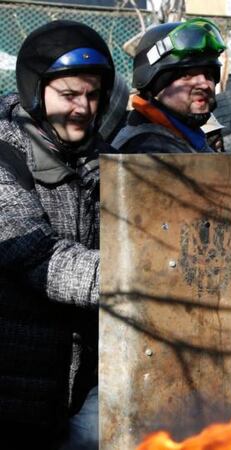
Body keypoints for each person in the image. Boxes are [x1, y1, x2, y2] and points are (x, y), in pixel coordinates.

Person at [0, 20, 114, 448]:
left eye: (92, 95)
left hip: (77, 384)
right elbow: (40, 259)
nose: (83, 107)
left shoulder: (103, 160)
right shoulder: (4, 155)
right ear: (35, 92)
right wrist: (150, 275)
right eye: (69, 94)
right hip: (13, 391)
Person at [112, 18, 226, 154]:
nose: (204, 84)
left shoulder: (186, 136)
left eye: (209, 74)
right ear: (155, 84)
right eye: (187, 76)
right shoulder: (147, 149)